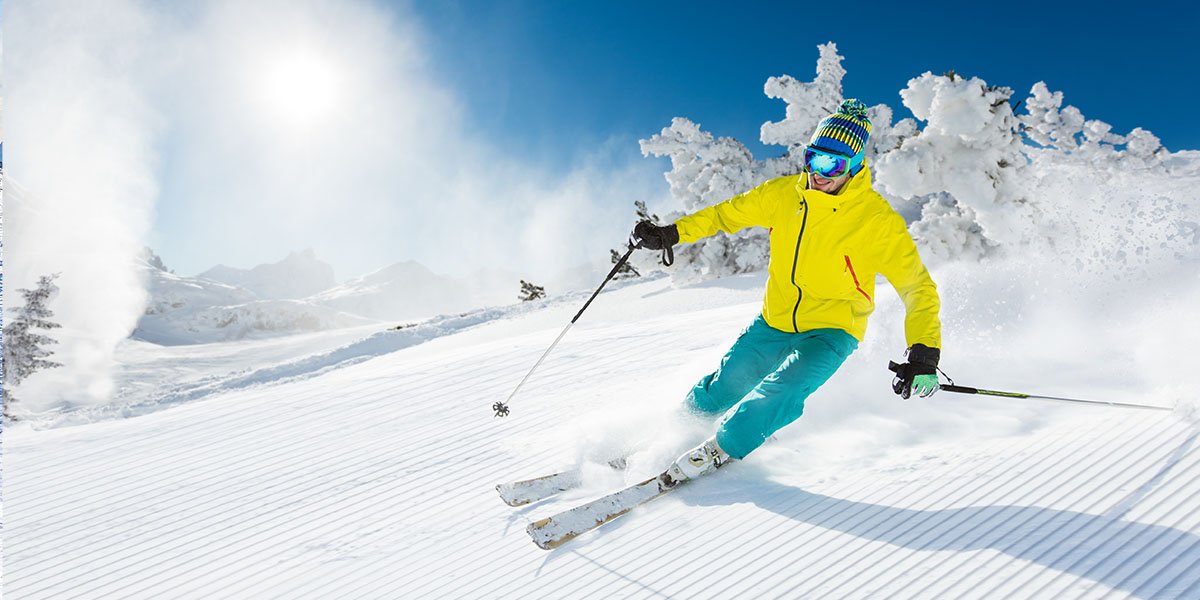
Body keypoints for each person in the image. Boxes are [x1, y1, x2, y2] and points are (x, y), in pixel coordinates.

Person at [631, 99, 942, 484]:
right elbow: (725, 214)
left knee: (783, 390)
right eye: (814, 159)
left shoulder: (876, 221)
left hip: (833, 328)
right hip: (776, 318)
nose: (818, 174)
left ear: (856, 167)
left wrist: (924, 352)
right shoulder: (782, 196)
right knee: (728, 382)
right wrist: (673, 233)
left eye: (833, 165)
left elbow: (918, 288)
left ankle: (723, 447)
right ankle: (674, 432)